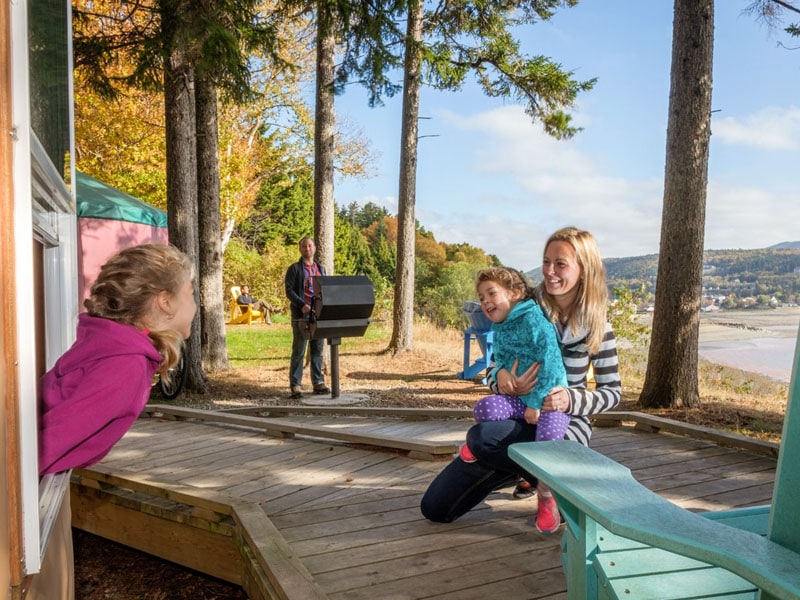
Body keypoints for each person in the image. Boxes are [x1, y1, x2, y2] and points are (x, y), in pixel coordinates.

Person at [420, 226, 622, 529]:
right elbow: (494, 361)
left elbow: (613, 392)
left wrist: (570, 398)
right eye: (546, 261)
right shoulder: (525, 306)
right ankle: (531, 473)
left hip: (564, 424)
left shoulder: (598, 327)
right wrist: (499, 376)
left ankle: (539, 479)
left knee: (481, 438)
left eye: (561, 263)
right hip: (516, 416)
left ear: (584, 269)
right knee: (435, 508)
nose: (550, 271)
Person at [38, 243, 196, 476]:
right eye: (190, 293)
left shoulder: (112, 346)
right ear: (166, 302)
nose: (194, 304)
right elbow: (41, 450)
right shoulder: (125, 365)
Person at [459, 267, 570, 533]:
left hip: (548, 401)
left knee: (549, 440)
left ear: (515, 293)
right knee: (485, 407)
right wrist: (501, 373)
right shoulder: (502, 327)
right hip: (520, 401)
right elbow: (498, 364)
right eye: (482, 296)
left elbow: (552, 363)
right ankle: (494, 456)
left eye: (492, 294)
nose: (485, 301)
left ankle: (546, 495)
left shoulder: (534, 320)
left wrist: (535, 403)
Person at [284, 236, 330, 399]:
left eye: (310, 246)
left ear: (315, 248)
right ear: (300, 249)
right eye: (304, 246)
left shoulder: (320, 268)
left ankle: (318, 382)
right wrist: (302, 304)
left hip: (318, 314)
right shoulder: (294, 269)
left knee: (317, 349)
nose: (307, 249)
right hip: (301, 314)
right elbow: (289, 291)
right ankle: (295, 385)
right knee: (299, 350)